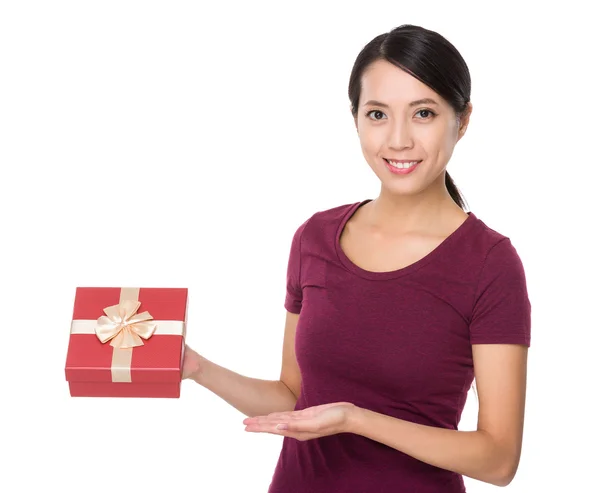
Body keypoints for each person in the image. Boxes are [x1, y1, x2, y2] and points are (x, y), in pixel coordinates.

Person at [182, 23, 531, 493]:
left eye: (423, 113)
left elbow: (498, 459)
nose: (399, 140)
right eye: (378, 114)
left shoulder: (489, 263)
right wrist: (195, 367)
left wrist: (355, 419)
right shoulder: (316, 237)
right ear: (356, 120)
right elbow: (291, 398)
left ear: (462, 120)